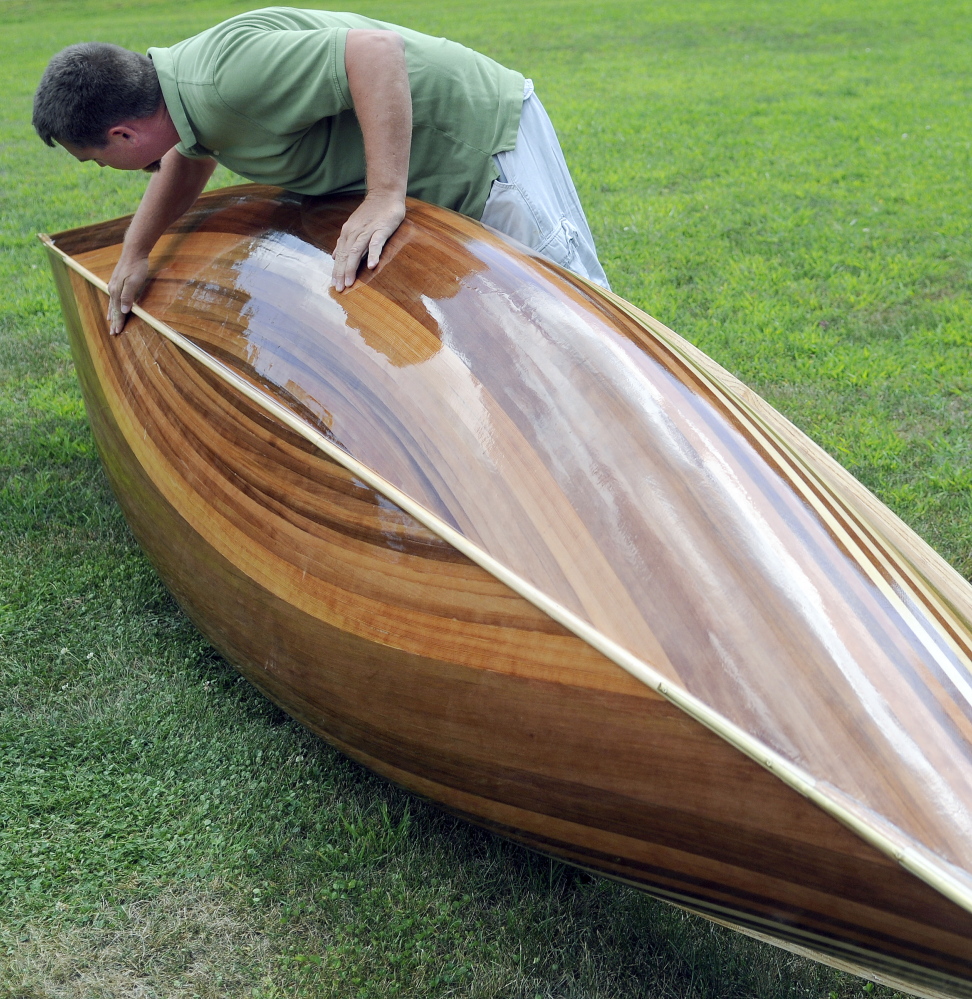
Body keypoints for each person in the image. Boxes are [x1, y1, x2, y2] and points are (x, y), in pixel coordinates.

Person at [33, 8, 609, 335]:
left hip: (484, 143)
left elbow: (374, 52)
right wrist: (135, 252)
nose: (110, 169)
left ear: (122, 135)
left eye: (98, 160)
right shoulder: (185, 101)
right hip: (443, 167)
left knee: (575, 313)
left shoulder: (224, 79)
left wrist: (386, 194)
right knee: (509, 322)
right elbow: (190, 156)